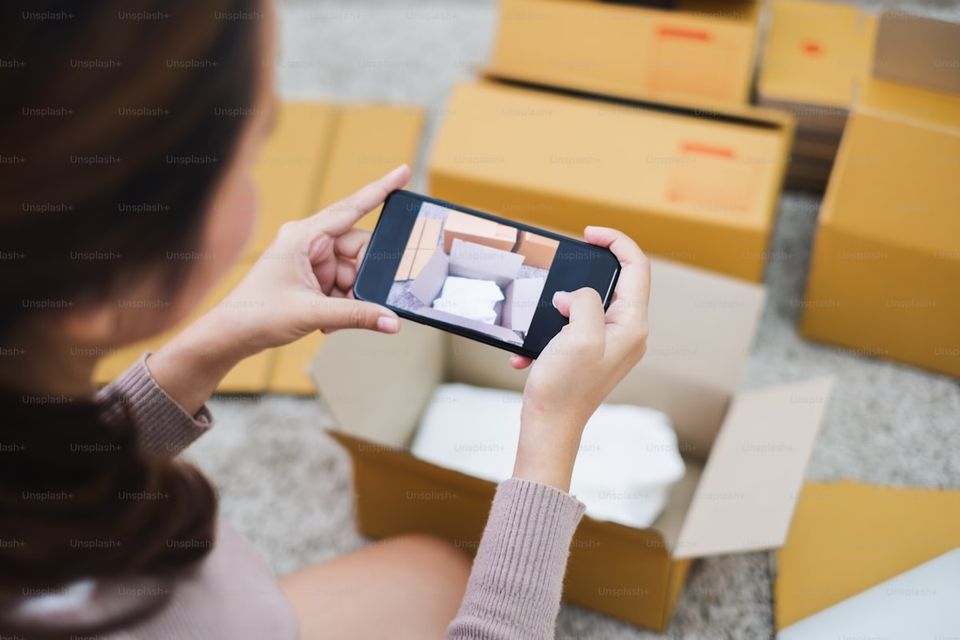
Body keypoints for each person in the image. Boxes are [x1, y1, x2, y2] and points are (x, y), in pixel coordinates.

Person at [0, 1, 650, 638]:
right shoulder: (170, 614)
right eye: (247, 161)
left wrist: (217, 339)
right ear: (97, 285)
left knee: (430, 575)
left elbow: (46, 471)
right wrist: (551, 432)